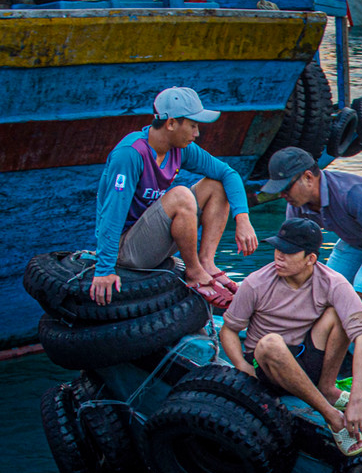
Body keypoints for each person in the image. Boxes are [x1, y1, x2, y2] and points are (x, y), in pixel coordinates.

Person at [91, 86, 258, 308]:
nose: (197, 133)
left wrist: (243, 219)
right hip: (127, 250)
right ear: (170, 124)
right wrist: (104, 270)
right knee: (181, 195)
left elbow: (229, 173)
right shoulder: (130, 154)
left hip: (153, 240)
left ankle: (207, 263)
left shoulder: (181, 149)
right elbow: (111, 214)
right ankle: (193, 271)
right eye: (192, 126)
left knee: (217, 185)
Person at [219, 218, 362, 456]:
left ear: (311, 258)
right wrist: (241, 365)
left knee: (341, 317)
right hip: (265, 368)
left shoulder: (333, 283)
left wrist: (355, 399)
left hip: (304, 357)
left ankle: (328, 388)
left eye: (288, 252)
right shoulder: (256, 283)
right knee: (271, 343)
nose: (278, 257)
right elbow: (228, 330)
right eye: (277, 249)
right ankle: (332, 416)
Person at [260, 147, 362, 363]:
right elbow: (292, 251)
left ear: (307, 177)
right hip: (356, 235)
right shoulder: (296, 206)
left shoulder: (351, 193)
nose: (282, 195)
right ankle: (352, 331)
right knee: (325, 286)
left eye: (286, 188)